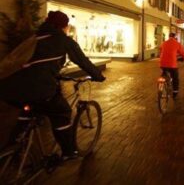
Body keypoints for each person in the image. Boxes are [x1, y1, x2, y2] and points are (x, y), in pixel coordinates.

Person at [0, 11, 106, 160]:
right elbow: (82, 61)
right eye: (67, 26)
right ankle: (69, 152)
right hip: (39, 89)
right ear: (63, 26)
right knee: (61, 112)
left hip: (11, 89)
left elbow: (33, 63)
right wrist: (98, 75)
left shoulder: (35, 38)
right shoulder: (64, 40)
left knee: (28, 111)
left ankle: (12, 150)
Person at [159, 33, 184, 99]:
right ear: (175, 37)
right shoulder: (177, 44)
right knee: (175, 78)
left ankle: (163, 82)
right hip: (172, 65)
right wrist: (183, 58)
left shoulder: (164, 43)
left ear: (169, 37)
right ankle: (175, 92)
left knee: (164, 72)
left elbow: (160, 50)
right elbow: (183, 53)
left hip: (162, 64)